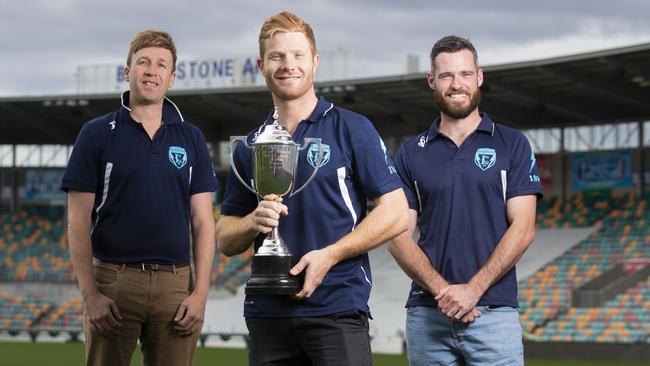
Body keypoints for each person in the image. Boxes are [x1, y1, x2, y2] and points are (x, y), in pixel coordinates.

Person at [216, 11, 408, 366]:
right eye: (277, 56)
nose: (288, 65)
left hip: (336, 308)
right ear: (261, 65)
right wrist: (251, 222)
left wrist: (330, 255)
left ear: (315, 61)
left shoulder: (352, 128)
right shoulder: (251, 145)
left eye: (298, 55)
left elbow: (395, 212)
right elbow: (226, 238)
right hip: (267, 312)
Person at [62, 29, 218, 366]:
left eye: (161, 64)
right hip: (113, 281)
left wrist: (201, 294)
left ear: (172, 77)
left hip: (176, 284)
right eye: (143, 62)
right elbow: (77, 219)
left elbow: (204, 222)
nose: (151, 70)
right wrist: (90, 295)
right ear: (127, 71)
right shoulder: (97, 133)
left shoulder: (191, 138)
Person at [389, 35, 542, 366]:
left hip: (494, 314)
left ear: (479, 77)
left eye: (465, 74)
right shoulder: (409, 153)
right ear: (432, 81)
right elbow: (397, 235)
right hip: (428, 314)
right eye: (446, 76)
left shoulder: (512, 144)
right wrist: (444, 291)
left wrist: (473, 290)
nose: (456, 84)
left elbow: (525, 226)